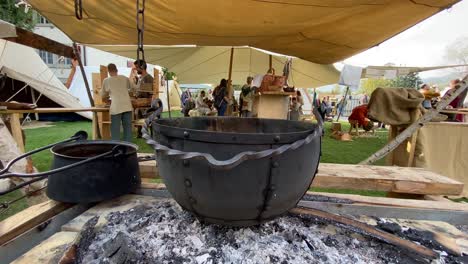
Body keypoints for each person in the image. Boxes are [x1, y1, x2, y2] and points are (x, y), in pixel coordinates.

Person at [101, 63, 133, 142]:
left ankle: (116, 147)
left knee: (115, 130)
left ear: (108, 71)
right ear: (117, 70)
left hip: (116, 107)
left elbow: (103, 95)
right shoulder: (124, 78)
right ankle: (128, 148)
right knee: (128, 130)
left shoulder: (106, 80)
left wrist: (107, 99)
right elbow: (133, 87)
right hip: (127, 106)